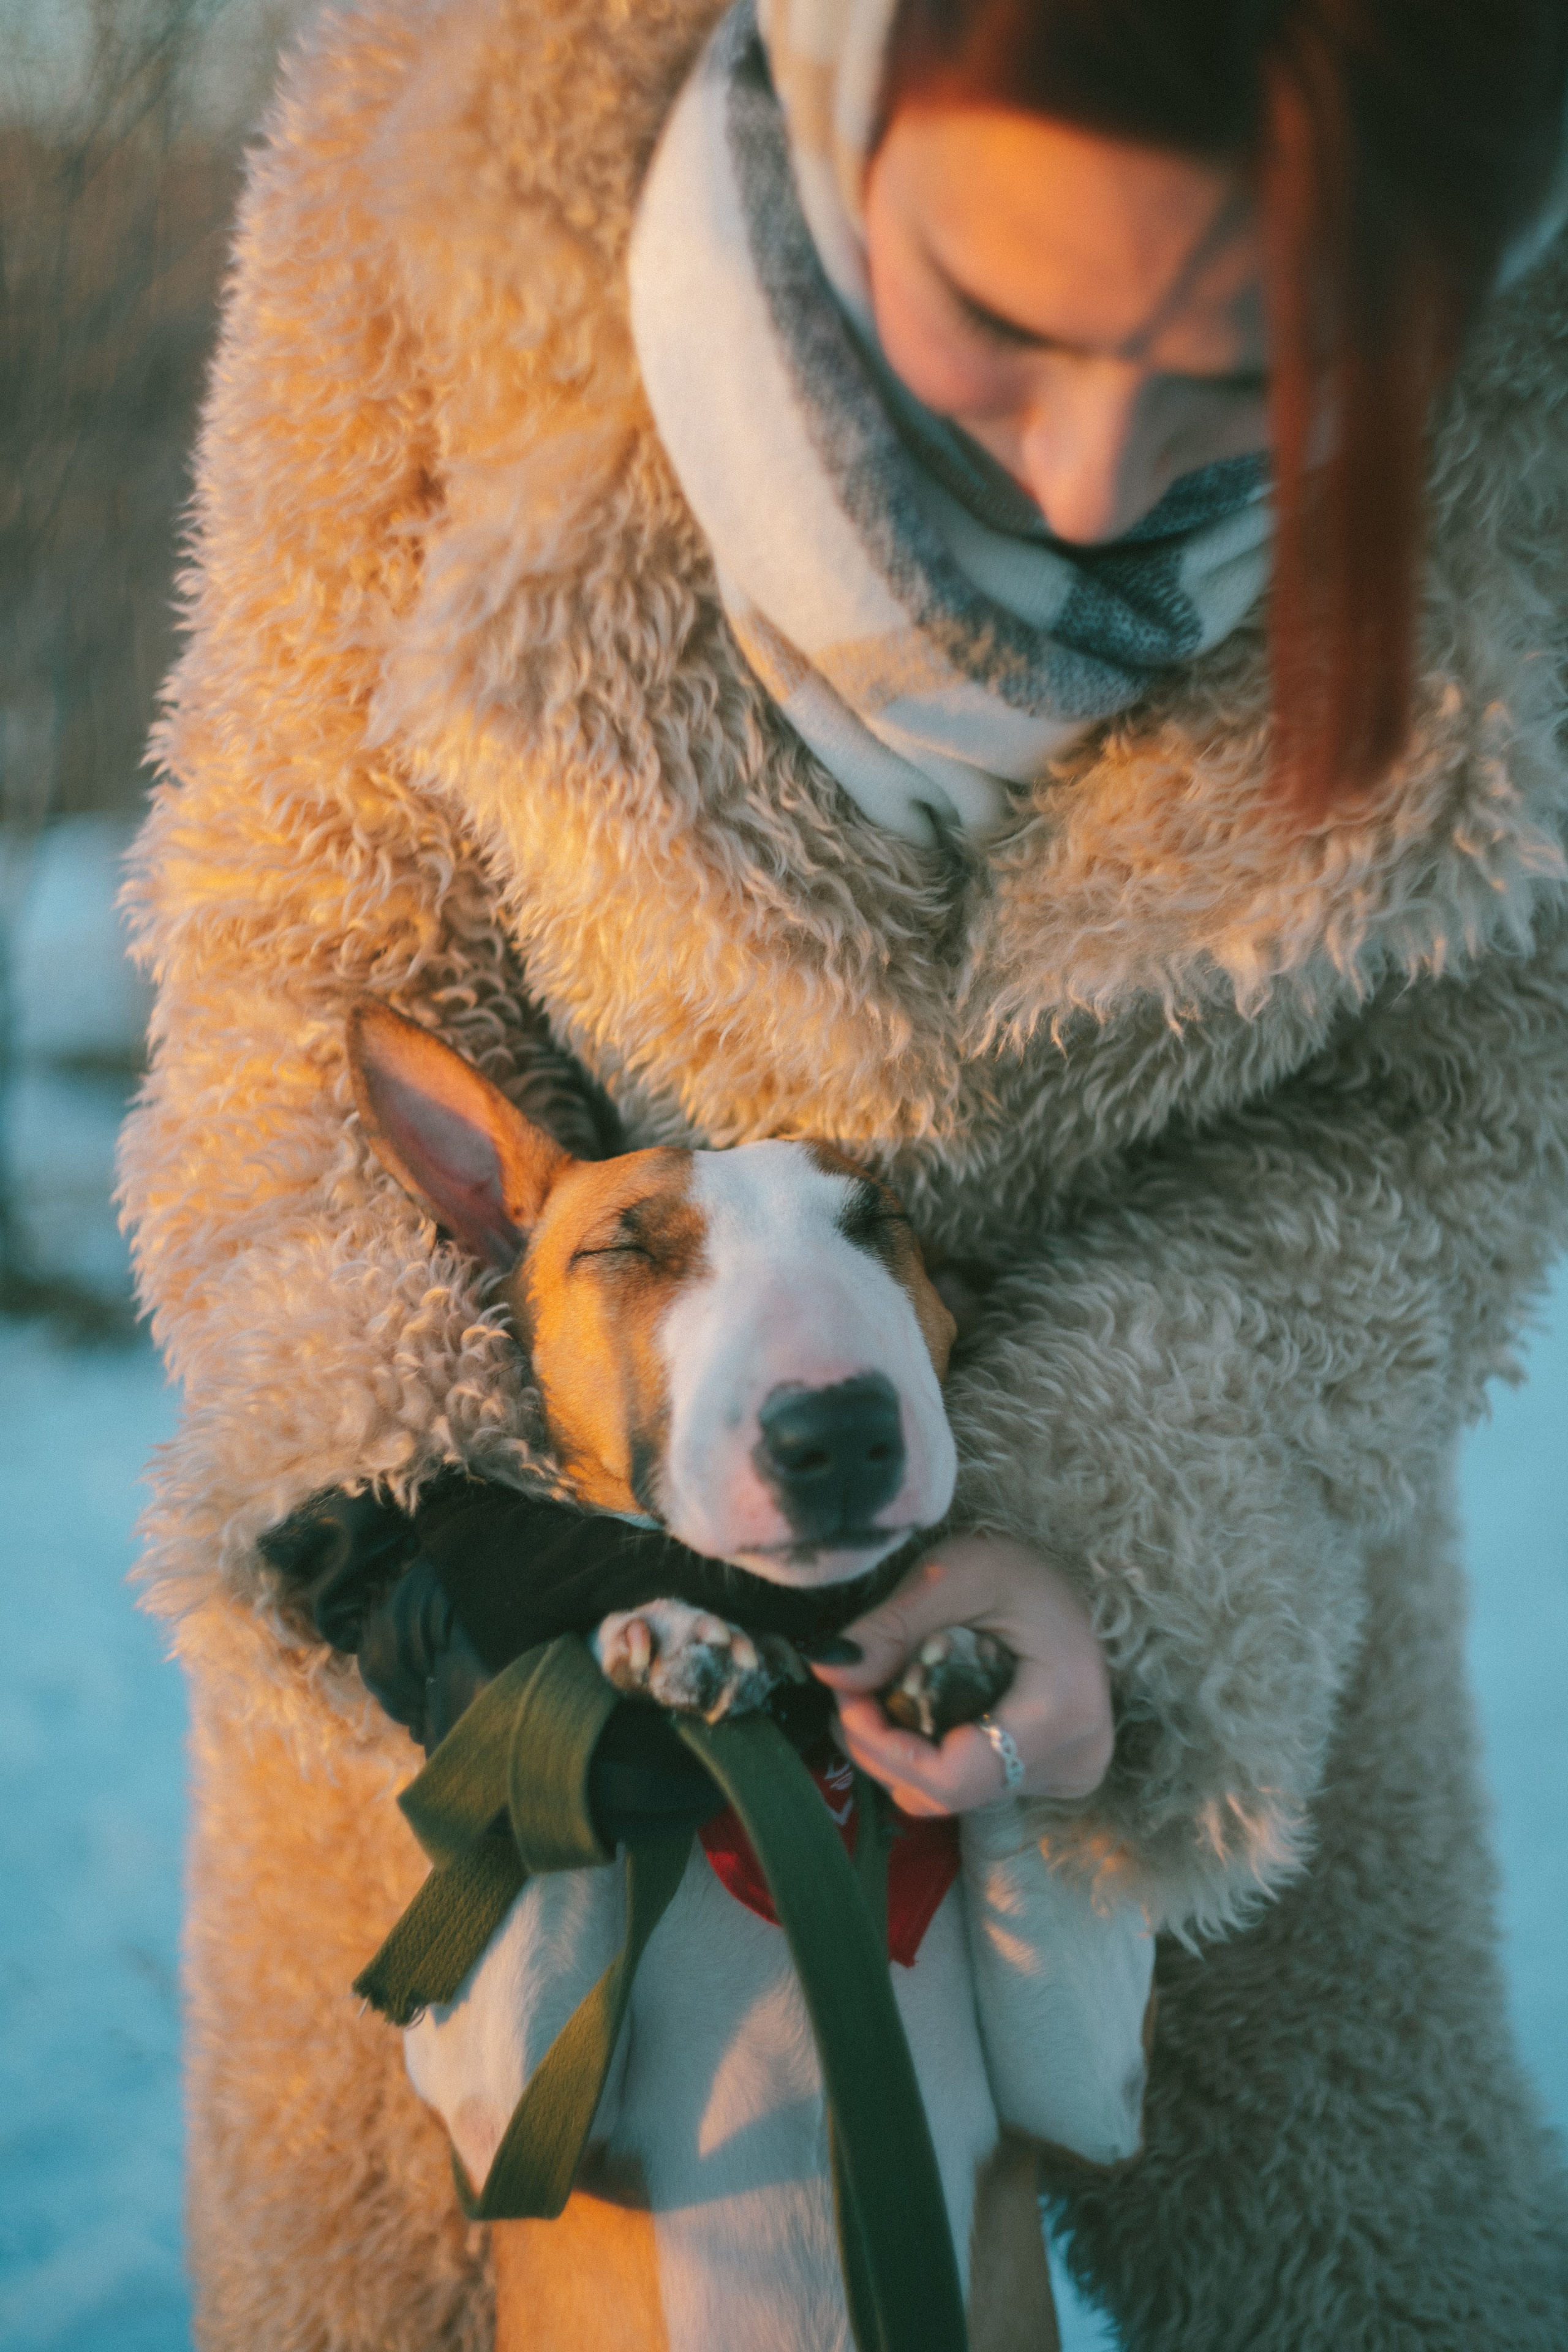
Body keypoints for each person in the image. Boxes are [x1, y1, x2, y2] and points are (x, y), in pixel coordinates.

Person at [120, 0, 1568, 2343]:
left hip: (1219, 1528)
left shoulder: (1537, 381)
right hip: (523, 1585)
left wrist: (1133, 1531)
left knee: (1374, 2281)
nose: (1097, 485)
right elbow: (297, 955)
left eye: (1258, 371)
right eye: (1004, 318)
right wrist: (427, 1539)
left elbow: (1454, 1114)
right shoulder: (449, 172)